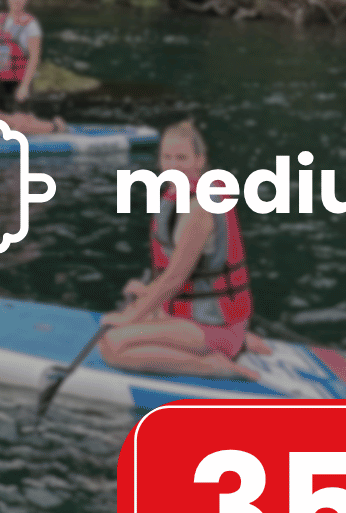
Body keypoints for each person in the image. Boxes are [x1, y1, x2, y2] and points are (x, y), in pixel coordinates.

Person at [98, 119, 271, 378]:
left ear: (199, 161)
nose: (173, 166)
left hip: (211, 326)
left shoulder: (199, 209)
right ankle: (240, 340)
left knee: (112, 345)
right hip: (195, 317)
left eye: (182, 158)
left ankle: (212, 365)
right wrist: (146, 293)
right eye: (167, 157)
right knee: (113, 321)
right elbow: (183, 276)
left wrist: (131, 318)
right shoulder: (176, 196)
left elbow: (175, 278)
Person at [0, 0, 67, 135]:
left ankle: (55, 126)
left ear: (26, 0)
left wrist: (25, 86)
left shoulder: (31, 25)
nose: (15, 1)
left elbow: (34, 58)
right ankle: (27, 119)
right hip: (0, 78)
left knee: (20, 128)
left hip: (19, 79)